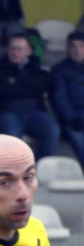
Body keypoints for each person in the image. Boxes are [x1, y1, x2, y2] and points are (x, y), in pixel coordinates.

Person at [0, 32, 60, 161]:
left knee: (52, 130)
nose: (15, 52)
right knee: (12, 137)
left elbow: (42, 86)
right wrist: (28, 85)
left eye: (19, 49)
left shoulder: (36, 67)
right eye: (12, 48)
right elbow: (1, 90)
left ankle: (37, 167)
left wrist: (16, 81)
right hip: (7, 112)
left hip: (34, 112)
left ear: (28, 51)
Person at [49, 31, 84, 166]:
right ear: (67, 48)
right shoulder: (59, 70)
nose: (77, 50)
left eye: (81, 46)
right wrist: (72, 118)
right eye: (73, 46)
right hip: (74, 118)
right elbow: (59, 98)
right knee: (78, 138)